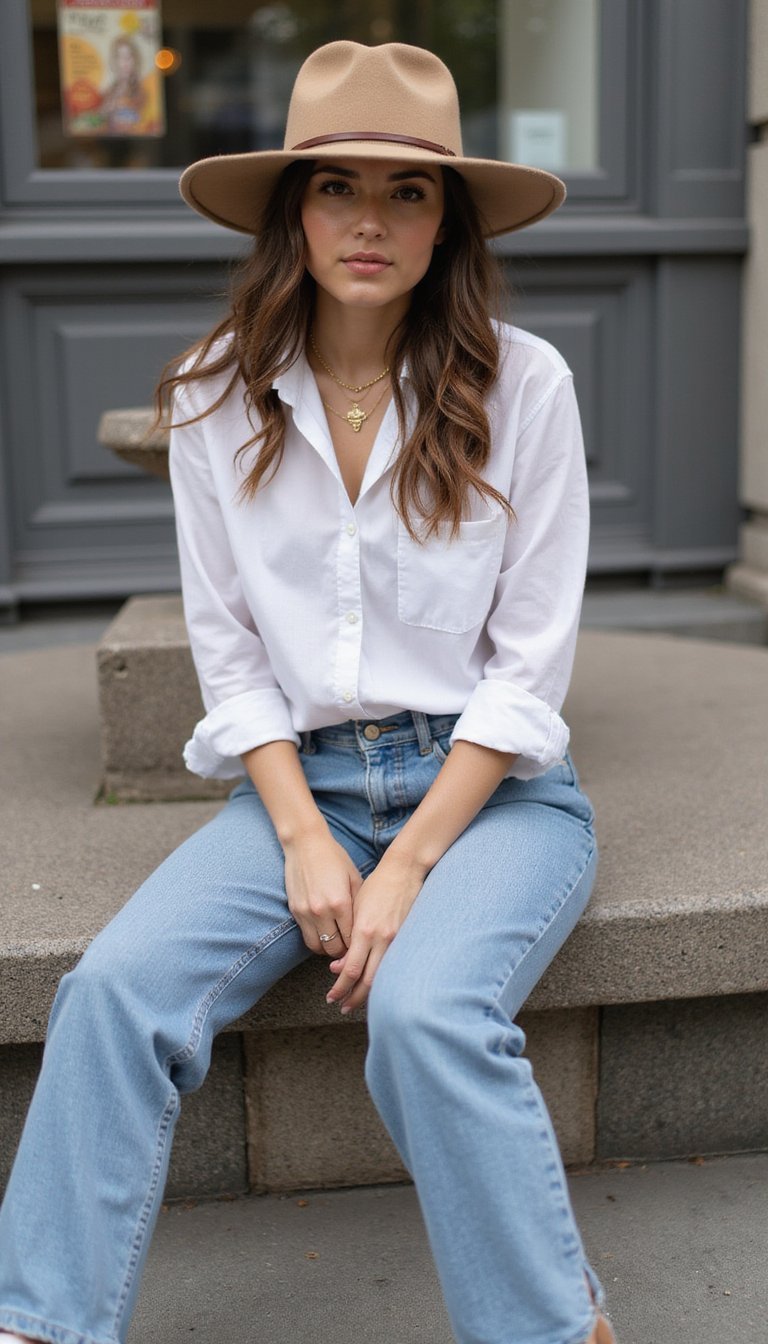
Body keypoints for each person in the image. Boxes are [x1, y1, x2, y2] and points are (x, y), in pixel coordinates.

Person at [0, 39, 617, 1344]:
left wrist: (404, 870)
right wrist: (301, 838)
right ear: (294, 210)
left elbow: (528, 673)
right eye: (337, 187)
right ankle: (43, 1326)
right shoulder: (219, 392)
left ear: (448, 218)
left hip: (494, 797)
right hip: (309, 786)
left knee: (428, 1015)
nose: (369, 222)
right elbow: (227, 654)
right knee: (111, 993)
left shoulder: (528, 387)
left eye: (408, 192)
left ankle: (558, 1332)